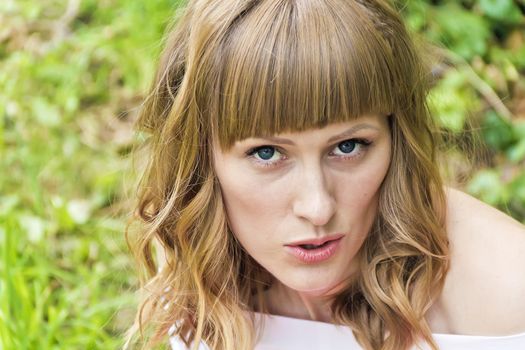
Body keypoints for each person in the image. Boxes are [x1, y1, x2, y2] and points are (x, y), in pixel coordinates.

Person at [125, 0, 525, 349]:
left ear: (395, 138)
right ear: (200, 159)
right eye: (267, 153)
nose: (317, 208)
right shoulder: (196, 252)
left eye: (348, 147)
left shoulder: (507, 292)